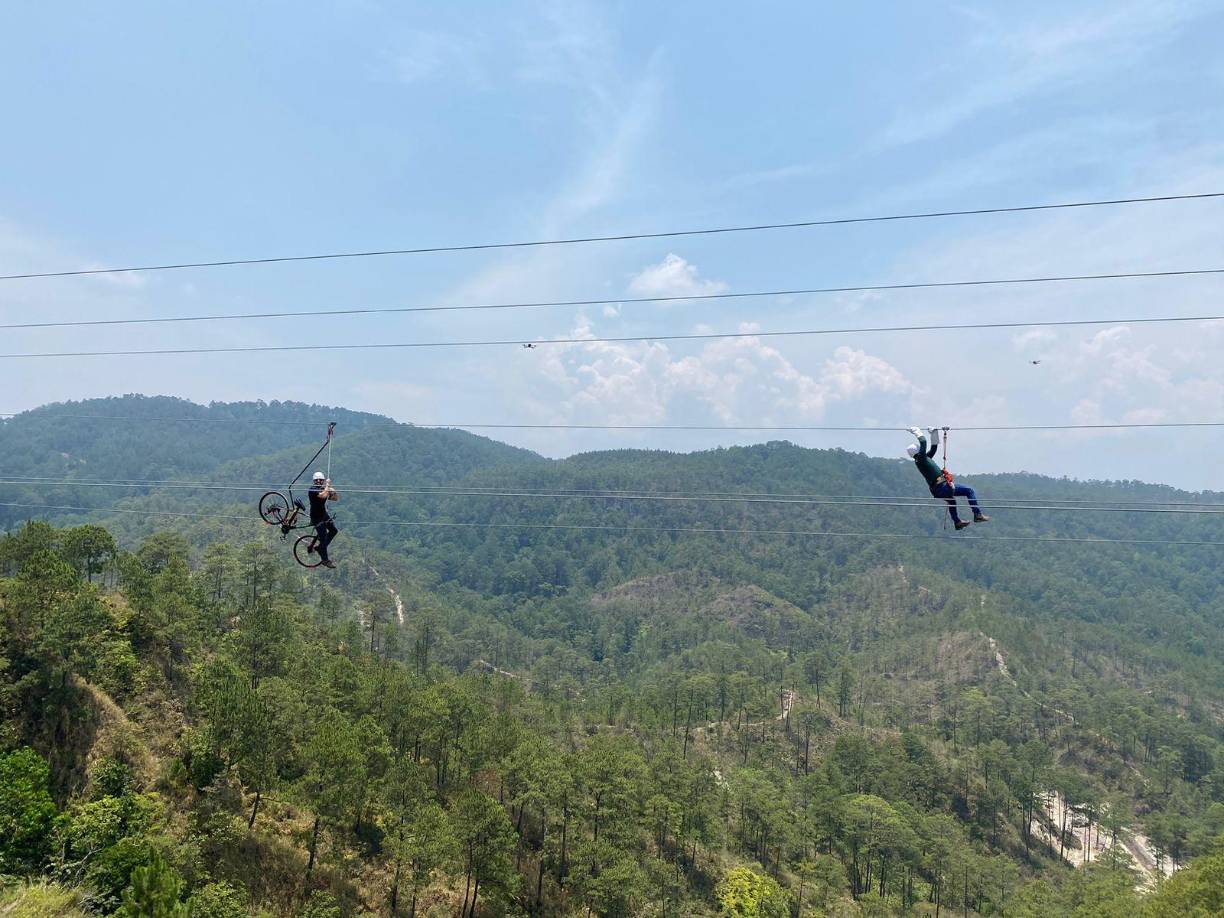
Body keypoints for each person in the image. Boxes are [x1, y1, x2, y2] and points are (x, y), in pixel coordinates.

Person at [906, 427, 989, 531]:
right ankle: (977, 514)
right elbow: (923, 442)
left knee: (952, 501)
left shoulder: (923, 460)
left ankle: (957, 522)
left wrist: (934, 434)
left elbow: (933, 448)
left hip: (938, 489)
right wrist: (916, 431)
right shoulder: (921, 459)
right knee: (969, 491)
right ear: (918, 450)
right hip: (942, 487)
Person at [307, 471, 340, 568]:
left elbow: (334, 499)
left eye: (320, 480)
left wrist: (333, 492)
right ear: (314, 481)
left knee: (334, 530)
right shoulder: (312, 489)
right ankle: (325, 560)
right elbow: (323, 495)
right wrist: (328, 486)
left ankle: (321, 547)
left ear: (323, 481)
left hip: (323, 514)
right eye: (316, 480)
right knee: (323, 537)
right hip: (316, 517)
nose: (318, 481)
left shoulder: (323, 488)